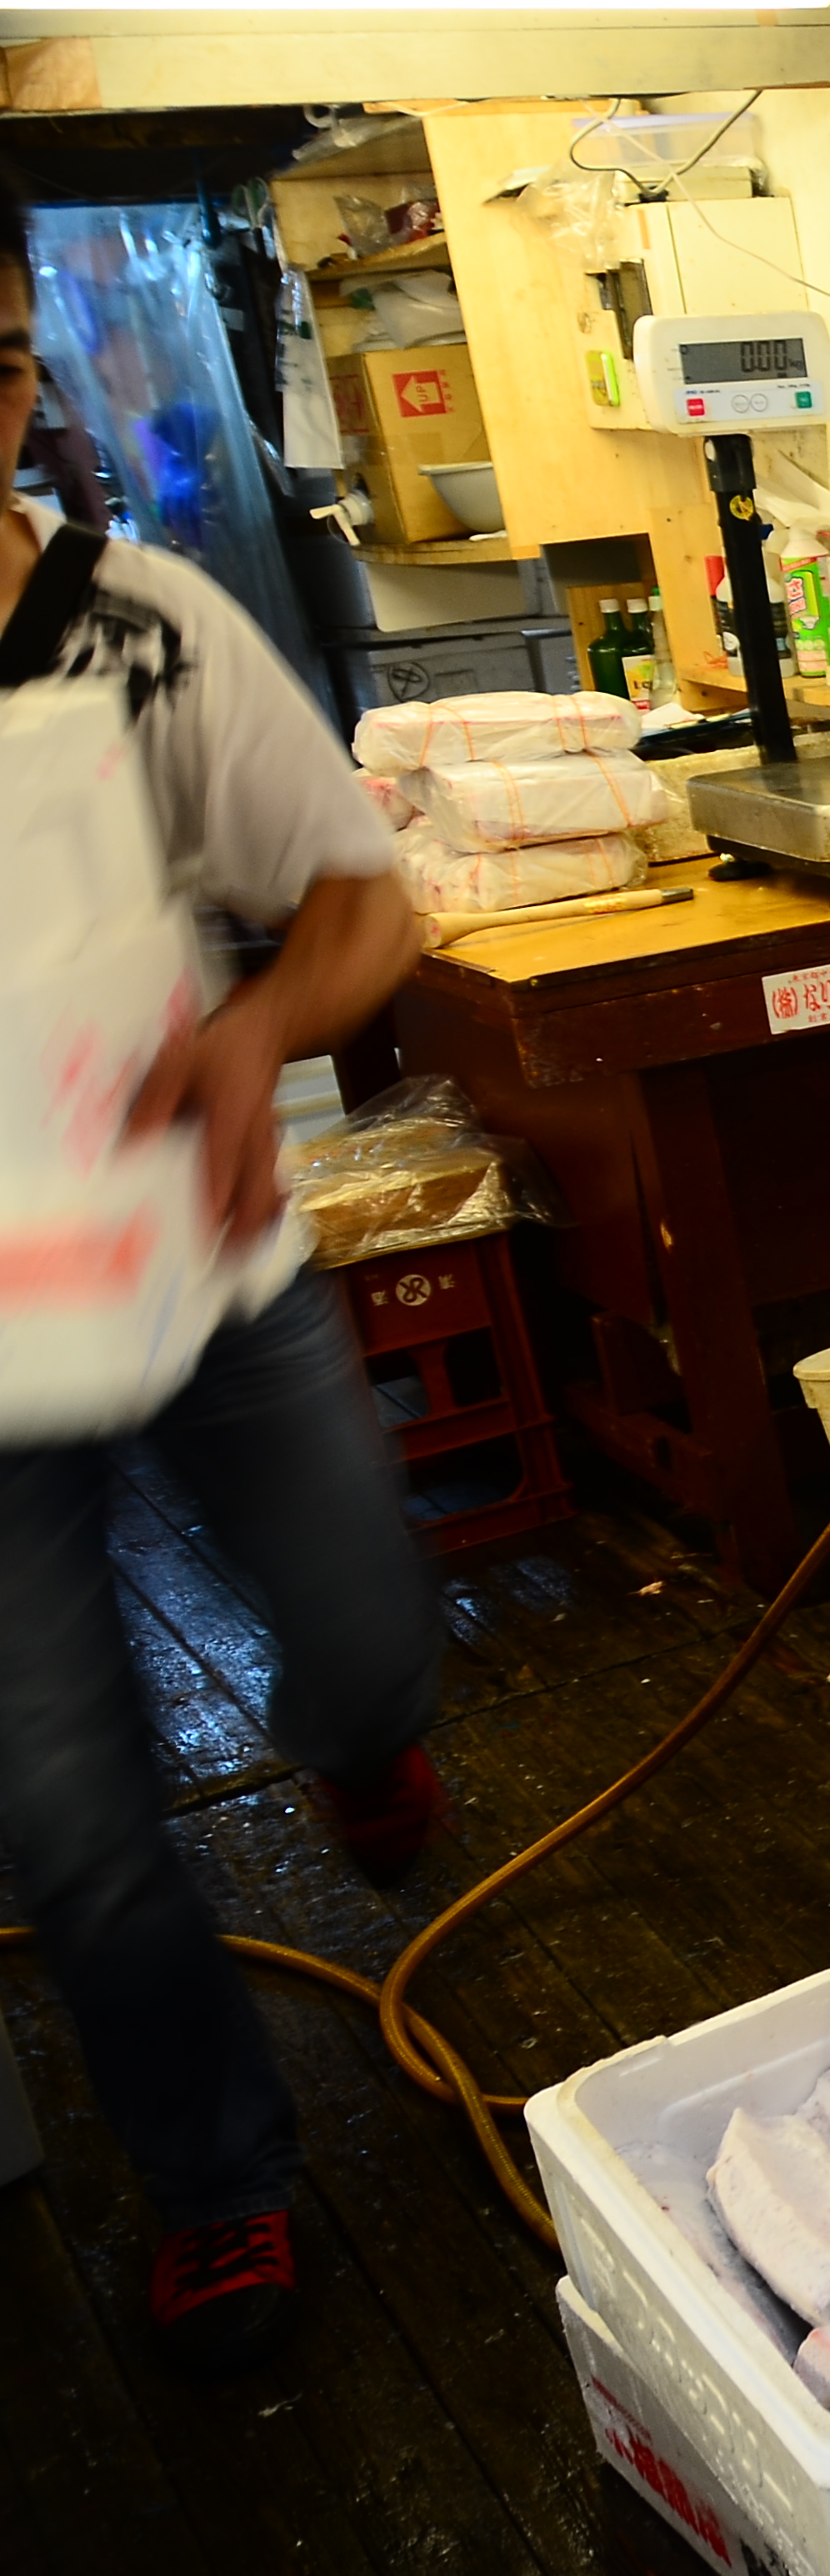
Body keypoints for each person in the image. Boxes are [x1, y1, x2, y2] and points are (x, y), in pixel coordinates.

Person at [0, 182, 445, 2376]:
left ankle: (357, 1740)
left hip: (196, 1253)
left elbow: (371, 909)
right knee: (73, 1825)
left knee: (374, 1636)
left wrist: (254, 1030)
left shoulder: (143, 629)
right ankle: (216, 2182)